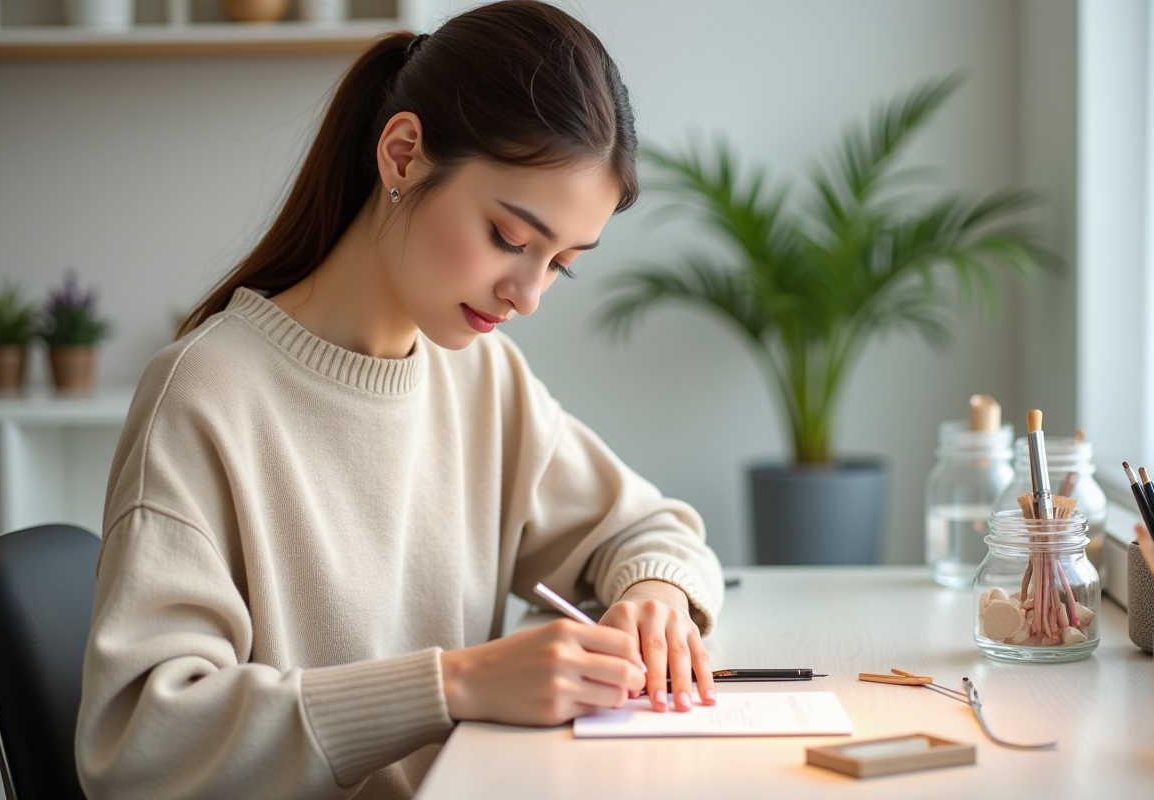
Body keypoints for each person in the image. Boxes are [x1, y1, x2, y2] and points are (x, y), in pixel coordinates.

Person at [75, 2, 724, 798]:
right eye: (510, 239)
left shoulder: (485, 380)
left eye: (561, 262)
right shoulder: (207, 394)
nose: (527, 296)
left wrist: (654, 595)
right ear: (404, 155)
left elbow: (651, 528)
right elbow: (142, 744)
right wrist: (452, 686)